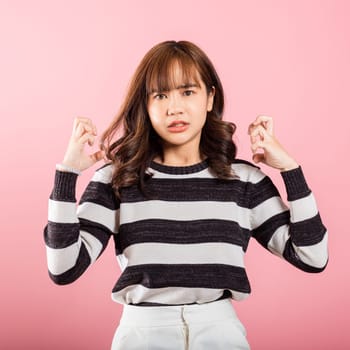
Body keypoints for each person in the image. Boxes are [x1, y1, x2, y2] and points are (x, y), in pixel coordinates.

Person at [44, 40, 328, 350]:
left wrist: (290, 169)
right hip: (142, 335)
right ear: (146, 105)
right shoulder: (117, 179)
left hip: (222, 334)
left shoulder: (244, 181)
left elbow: (312, 257)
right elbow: (64, 268)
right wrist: (67, 176)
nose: (174, 107)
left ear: (210, 98)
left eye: (188, 92)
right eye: (160, 95)